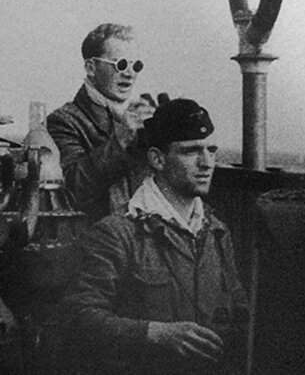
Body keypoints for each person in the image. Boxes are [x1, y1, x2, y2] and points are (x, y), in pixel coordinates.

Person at [62, 98, 248, 374]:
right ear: (157, 159)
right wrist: (153, 333)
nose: (206, 163)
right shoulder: (118, 233)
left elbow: (240, 311)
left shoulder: (216, 232)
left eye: (211, 150)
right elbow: (77, 319)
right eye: (190, 151)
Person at [47, 23, 156, 222]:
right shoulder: (64, 121)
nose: (129, 73)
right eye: (120, 64)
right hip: (100, 237)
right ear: (91, 67)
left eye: (136, 65)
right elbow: (73, 188)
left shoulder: (142, 117)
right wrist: (121, 141)